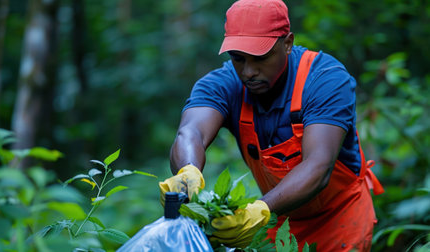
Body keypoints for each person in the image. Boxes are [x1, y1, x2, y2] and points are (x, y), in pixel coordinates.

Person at [159, 0, 384, 250]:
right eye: (238, 59)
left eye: (260, 57)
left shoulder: (325, 80)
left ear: (287, 43)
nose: (248, 71)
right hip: (278, 219)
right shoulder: (224, 84)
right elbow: (191, 132)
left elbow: (318, 165)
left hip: (339, 220)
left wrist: (260, 209)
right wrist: (188, 170)